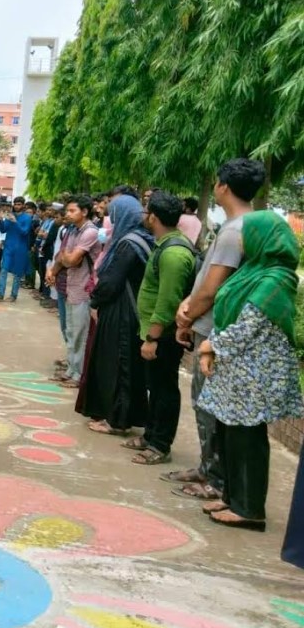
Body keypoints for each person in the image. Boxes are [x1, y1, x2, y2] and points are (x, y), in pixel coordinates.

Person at [196, 211, 302, 531]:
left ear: (264, 238)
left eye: (247, 233)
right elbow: (229, 315)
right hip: (237, 368)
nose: (241, 239)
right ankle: (232, 498)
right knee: (230, 435)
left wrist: (209, 346)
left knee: (247, 439)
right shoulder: (252, 270)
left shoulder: (276, 277)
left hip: (256, 372)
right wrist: (212, 346)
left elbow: (248, 326)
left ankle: (250, 509)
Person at [169, 159, 263, 501]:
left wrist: (186, 315)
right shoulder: (248, 224)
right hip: (213, 325)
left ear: (223, 186)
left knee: (208, 404)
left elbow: (211, 288)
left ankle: (215, 477)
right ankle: (208, 468)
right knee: (208, 403)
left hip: (213, 329)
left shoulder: (234, 230)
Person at [123, 191, 197, 465]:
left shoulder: (174, 253)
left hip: (163, 336)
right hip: (153, 333)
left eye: (146, 211)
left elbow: (167, 302)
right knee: (154, 386)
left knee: (165, 389)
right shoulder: (164, 245)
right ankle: (150, 435)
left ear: (153, 216)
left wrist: (152, 338)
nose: (144, 215)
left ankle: (160, 444)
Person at [77, 195, 152, 435]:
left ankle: (117, 420)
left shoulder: (128, 243)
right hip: (128, 310)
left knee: (119, 365)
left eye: (113, 215)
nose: (110, 220)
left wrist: (96, 300)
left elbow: (112, 280)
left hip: (122, 313)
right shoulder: (141, 239)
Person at [47, 195, 100, 387]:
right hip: (71, 286)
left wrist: (65, 257)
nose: (68, 214)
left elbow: (70, 260)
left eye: (72, 211)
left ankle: (79, 375)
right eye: (67, 211)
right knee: (70, 330)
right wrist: (55, 267)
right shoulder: (72, 231)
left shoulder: (90, 232)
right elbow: (61, 257)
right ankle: (71, 369)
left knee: (80, 333)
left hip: (84, 289)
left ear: (84, 212)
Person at [0, 197, 33, 303]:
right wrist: (1, 219)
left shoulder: (27, 218)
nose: (17, 206)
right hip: (8, 247)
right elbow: (3, 230)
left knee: (17, 273)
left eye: (19, 204)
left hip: (20, 249)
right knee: (3, 270)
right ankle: (0, 294)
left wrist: (15, 222)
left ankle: (13, 295)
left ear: (23, 205)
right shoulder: (10, 216)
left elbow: (24, 232)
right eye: (15, 204)